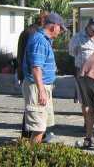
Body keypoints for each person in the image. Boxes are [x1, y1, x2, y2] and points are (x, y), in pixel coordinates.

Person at [22, 12, 67, 143]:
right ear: (53, 27)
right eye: (60, 29)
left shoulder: (43, 40)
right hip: (37, 87)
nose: (60, 32)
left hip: (41, 86)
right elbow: (36, 68)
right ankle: (31, 158)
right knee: (39, 127)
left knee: (42, 125)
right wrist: (41, 90)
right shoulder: (40, 41)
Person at [69, 16, 94, 129]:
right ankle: (88, 125)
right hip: (83, 74)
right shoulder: (77, 38)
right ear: (88, 26)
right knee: (86, 102)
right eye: (93, 29)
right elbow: (72, 53)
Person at [18, 11, 49, 139]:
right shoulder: (36, 34)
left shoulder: (27, 31)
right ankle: (32, 135)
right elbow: (34, 58)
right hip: (32, 74)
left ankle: (28, 134)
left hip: (24, 71)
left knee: (30, 106)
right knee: (35, 107)